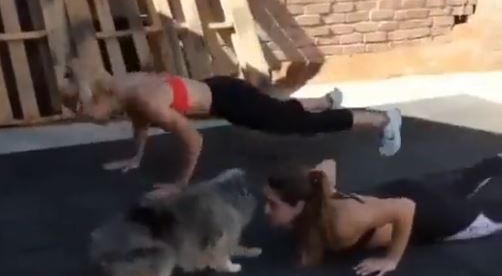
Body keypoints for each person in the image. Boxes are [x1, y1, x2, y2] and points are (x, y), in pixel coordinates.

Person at [60, 60, 402, 193]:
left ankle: (383, 119)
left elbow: (193, 141)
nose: (91, 118)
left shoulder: (144, 99)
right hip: (221, 91)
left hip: (229, 100)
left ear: (98, 98)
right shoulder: (124, 86)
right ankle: (327, 101)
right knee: (275, 111)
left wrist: (179, 185)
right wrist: (135, 157)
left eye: (89, 112)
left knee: (300, 126)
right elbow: (139, 122)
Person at [263, 156, 502, 276]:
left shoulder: (341, 223)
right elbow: (328, 163)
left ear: (300, 205)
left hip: (425, 215)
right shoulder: (314, 197)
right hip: (396, 191)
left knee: (490, 215)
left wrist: (390, 260)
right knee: (458, 187)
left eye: (273, 204)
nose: (265, 210)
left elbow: (406, 208)